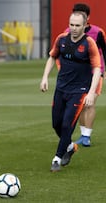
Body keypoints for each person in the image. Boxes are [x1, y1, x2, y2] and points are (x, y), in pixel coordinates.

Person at [40, 12, 101, 172]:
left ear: (85, 26)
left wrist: (90, 92)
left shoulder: (89, 43)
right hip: (61, 89)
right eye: (71, 25)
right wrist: (45, 77)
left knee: (68, 124)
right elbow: (52, 57)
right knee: (56, 124)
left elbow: (96, 69)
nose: (73, 28)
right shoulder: (61, 39)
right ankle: (70, 147)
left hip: (79, 91)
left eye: (77, 25)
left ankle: (57, 158)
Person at [70, 3, 106, 147]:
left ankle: (87, 137)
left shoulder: (98, 32)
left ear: (87, 18)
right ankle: (83, 134)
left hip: (95, 73)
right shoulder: (68, 31)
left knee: (90, 104)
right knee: (80, 105)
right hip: (77, 75)